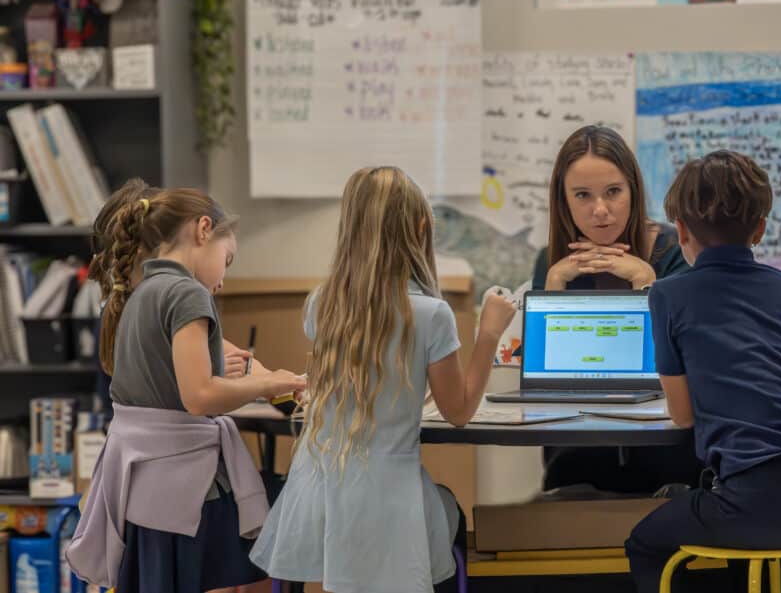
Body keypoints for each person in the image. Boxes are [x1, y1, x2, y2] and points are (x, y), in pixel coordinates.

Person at [250, 167, 517, 593]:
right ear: (420, 229)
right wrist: (488, 333)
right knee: (452, 517)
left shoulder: (322, 303)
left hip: (320, 497)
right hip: (391, 504)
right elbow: (460, 412)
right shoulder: (431, 313)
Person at [625, 150, 781, 593]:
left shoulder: (667, 295)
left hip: (759, 503)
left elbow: (683, 416)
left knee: (645, 543)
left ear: (679, 229)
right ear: (761, 228)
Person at [67, 188, 306, 593]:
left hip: (143, 489)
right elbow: (199, 397)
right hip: (184, 490)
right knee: (293, 505)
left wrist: (256, 378)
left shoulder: (137, 295)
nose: (224, 278)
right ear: (203, 229)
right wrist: (271, 382)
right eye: (226, 260)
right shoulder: (186, 293)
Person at [531, 125, 696, 494]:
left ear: (633, 191)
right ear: (564, 201)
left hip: (666, 445)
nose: (600, 211)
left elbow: (680, 367)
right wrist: (554, 286)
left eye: (613, 192)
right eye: (583, 196)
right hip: (577, 445)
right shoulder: (551, 261)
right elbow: (544, 379)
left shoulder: (676, 251)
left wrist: (645, 281)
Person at [89, 179, 266, 379]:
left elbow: (227, 352)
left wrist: (267, 378)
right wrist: (213, 373)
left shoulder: (161, 304)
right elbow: (157, 387)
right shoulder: (129, 313)